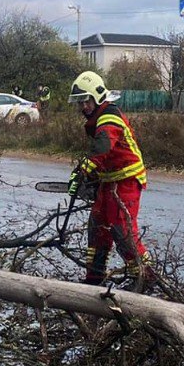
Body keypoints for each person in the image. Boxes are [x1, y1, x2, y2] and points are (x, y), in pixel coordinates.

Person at [66, 71, 152, 288]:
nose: (83, 107)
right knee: (97, 226)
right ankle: (94, 277)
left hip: (127, 179)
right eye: (80, 102)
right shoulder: (98, 118)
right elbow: (104, 156)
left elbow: (103, 147)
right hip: (109, 181)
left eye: (85, 101)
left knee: (122, 228)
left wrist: (83, 170)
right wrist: (92, 178)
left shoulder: (109, 116)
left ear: (97, 97)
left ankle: (145, 276)